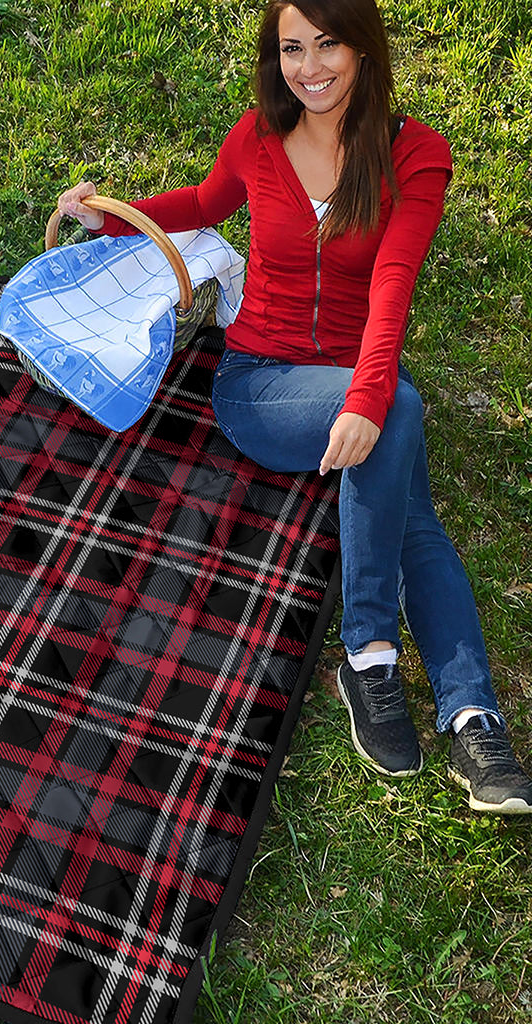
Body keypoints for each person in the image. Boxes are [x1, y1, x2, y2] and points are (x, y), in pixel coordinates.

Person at [56, 0, 532, 814]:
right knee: (401, 420)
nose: (309, 67)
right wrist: (111, 221)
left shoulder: (415, 156)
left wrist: (368, 396)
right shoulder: (258, 137)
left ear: (364, 48)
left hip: (352, 375)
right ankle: (376, 654)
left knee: (406, 477)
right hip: (260, 384)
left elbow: (393, 284)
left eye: (328, 44)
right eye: (291, 49)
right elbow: (204, 205)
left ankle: (468, 714)